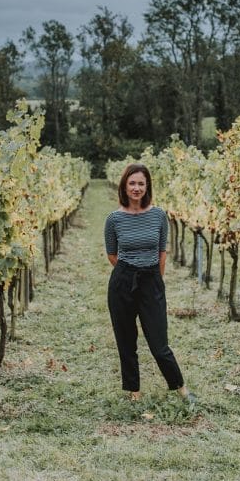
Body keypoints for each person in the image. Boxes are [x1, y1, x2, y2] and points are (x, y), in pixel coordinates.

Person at [104, 163, 193, 403]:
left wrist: (153, 280)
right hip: (123, 282)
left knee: (158, 343)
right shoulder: (114, 219)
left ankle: (181, 388)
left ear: (147, 186)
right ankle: (134, 391)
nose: (136, 188)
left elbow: (162, 252)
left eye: (141, 183)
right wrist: (128, 272)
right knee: (126, 340)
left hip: (151, 280)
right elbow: (112, 254)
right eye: (132, 183)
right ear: (124, 186)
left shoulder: (158, 215)